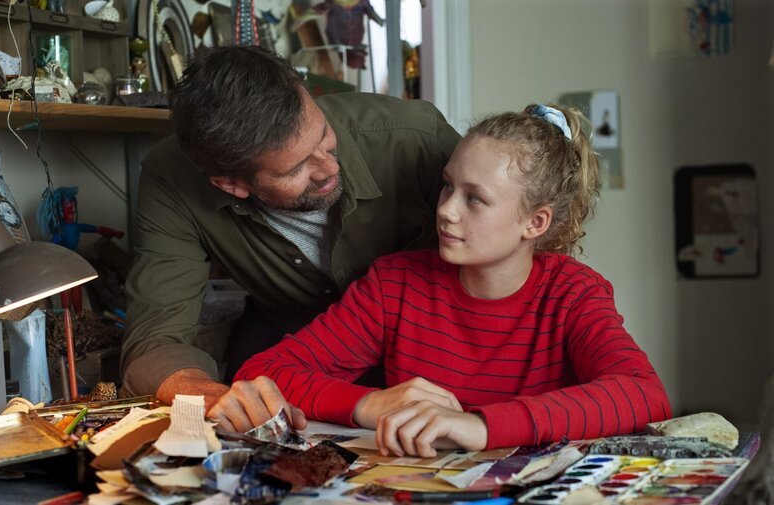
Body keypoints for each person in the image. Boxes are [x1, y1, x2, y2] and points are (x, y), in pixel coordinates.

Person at [235, 104, 671, 455]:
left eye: (475, 199)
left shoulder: (573, 294)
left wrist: (479, 426)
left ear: (535, 223)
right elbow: (265, 371)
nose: (446, 210)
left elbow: (643, 394)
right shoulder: (396, 283)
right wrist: (370, 404)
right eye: (448, 186)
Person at [119, 46, 461, 433]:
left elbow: (522, 258)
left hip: (431, 348)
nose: (330, 167)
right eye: (297, 167)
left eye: (324, 137)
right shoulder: (172, 180)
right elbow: (154, 340)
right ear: (230, 183)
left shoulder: (413, 138)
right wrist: (210, 395)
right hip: (290, 349)